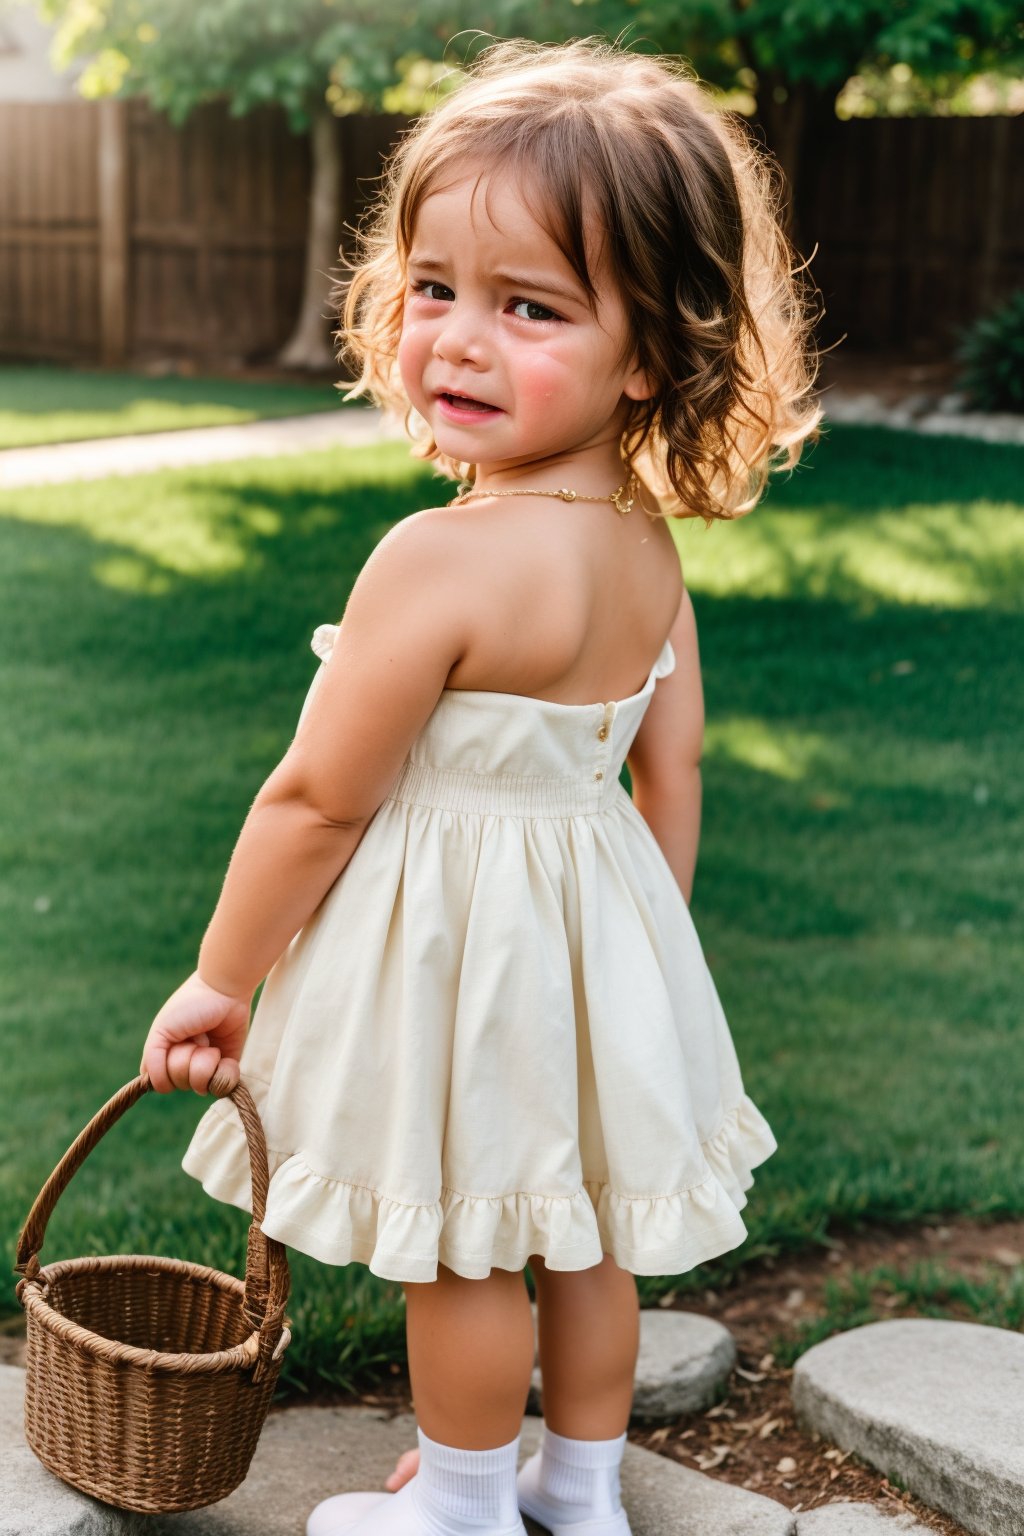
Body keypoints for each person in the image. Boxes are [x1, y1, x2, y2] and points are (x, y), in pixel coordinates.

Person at [140, 34, 823, 1536]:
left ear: (650, 351)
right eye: (436, 288)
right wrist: (642, 961)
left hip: (462, 961)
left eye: (529, 308)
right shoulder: (647, 549)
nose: (456, 338)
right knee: (580, 1241)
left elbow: (316, 797)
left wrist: (222, 977)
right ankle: (576, 1492)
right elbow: (674, 764)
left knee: (461, 1247)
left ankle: (452, 1507)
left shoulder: (438, 560)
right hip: (587, 950)